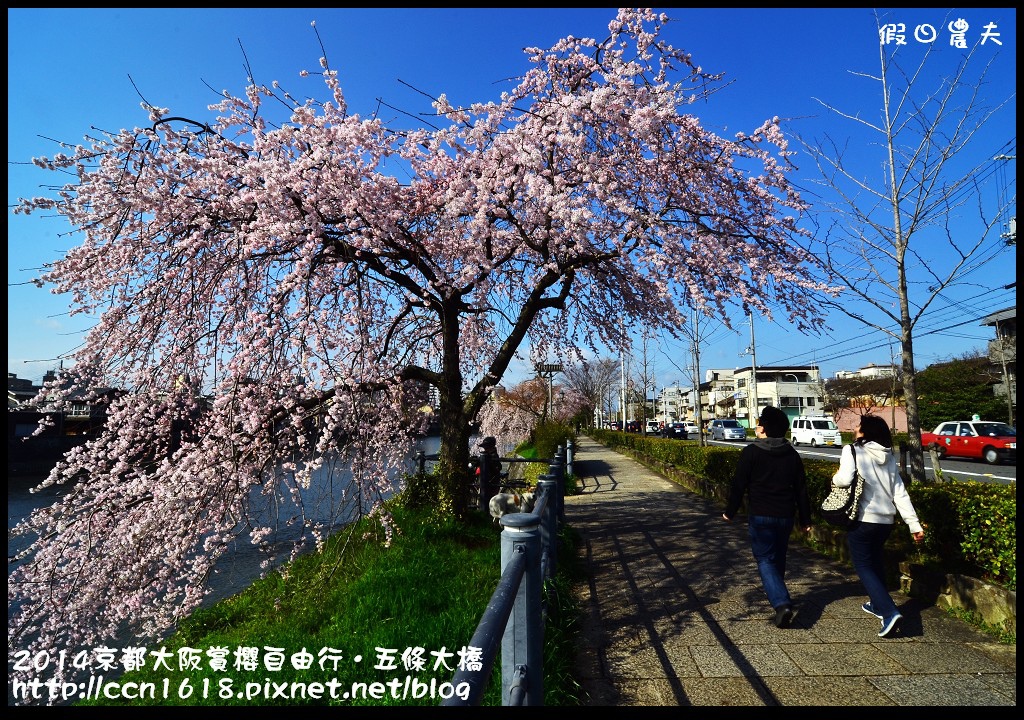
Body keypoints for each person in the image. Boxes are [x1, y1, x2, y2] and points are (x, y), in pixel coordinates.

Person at [832, 414, 925, 638]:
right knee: (874, 562)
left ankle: (889, 611)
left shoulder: (853, 450)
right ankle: (876, 604)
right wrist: (914, 525)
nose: (855, 429)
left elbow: (844, 480)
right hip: (885, 522)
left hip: (863, 519)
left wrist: (834, 480)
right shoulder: (889, 457)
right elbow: (900, 493)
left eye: (859, 427)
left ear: (865, 432)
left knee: (863, 566)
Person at [722, 406, 811, 628]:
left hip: (761, 515)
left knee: (764, 559)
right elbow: (801, 489)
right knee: (778, 558)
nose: (757, 426)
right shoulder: (792, 454)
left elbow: (738, 485)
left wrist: (730, 512)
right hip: (785, 516)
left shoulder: (751, 452)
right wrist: (806, 519)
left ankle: (781, 603)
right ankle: (778, 594)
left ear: (766, 428)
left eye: (760, 423)